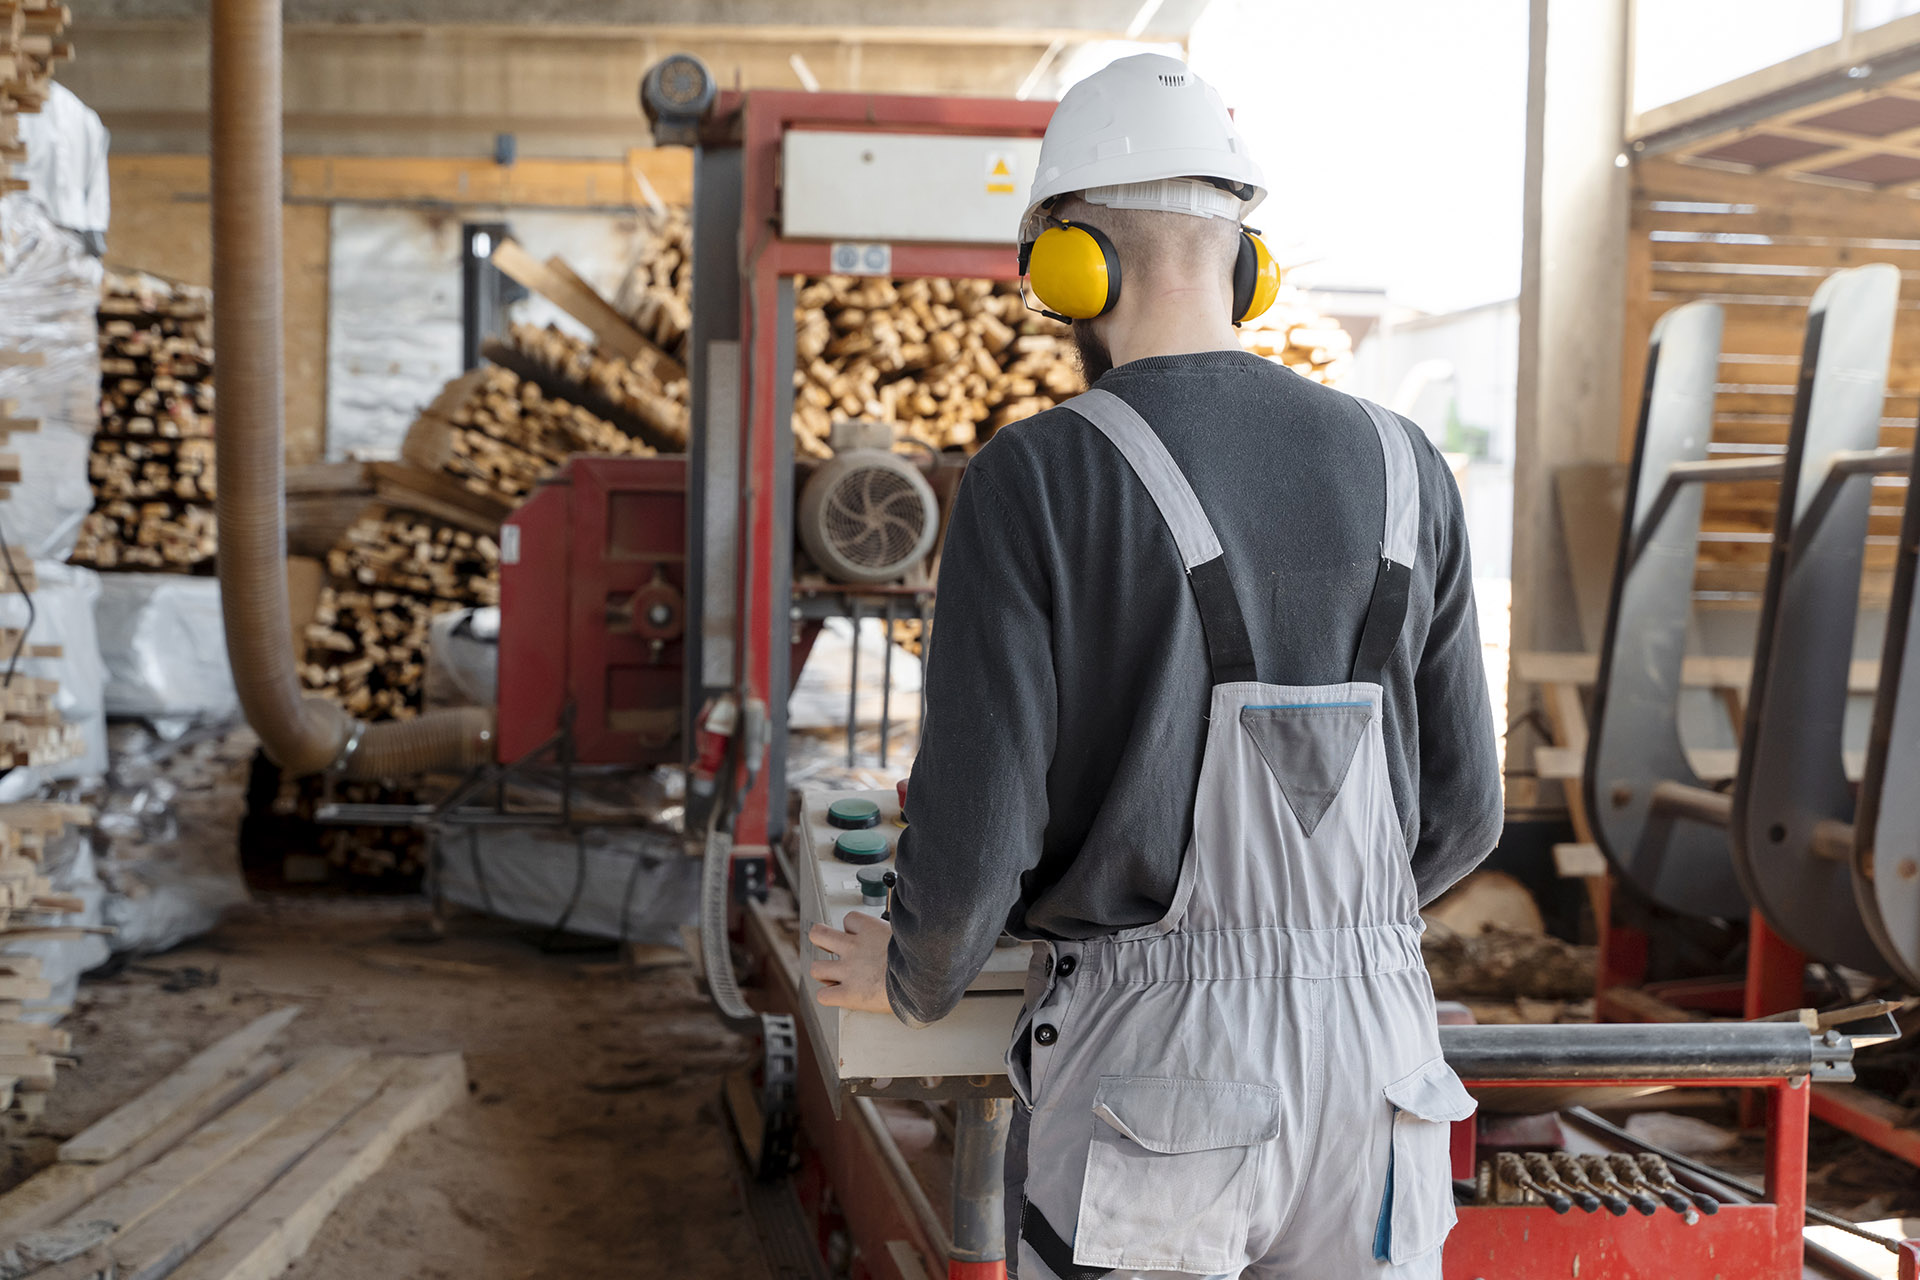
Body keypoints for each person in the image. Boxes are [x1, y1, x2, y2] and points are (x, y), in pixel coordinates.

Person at [809, 52, 1502, 1279]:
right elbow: (1464, 815)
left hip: (1158, 1073)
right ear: (1246, 259)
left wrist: (914, 969)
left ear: (1070, 265)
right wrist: (1322, 934)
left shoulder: (1037, 476)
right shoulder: (1410, 466)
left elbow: (977, 832)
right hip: (1385, 1072)